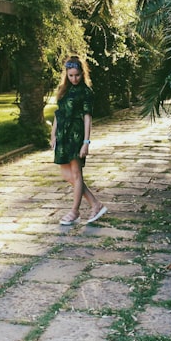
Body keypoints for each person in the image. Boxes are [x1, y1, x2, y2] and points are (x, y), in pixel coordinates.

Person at [50, 55, 107, 226]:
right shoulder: (63, 90)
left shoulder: (86, 92)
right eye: (71, 75)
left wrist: (86, 142)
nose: (74, 78)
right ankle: (95, 204)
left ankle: (75, 211)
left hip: (76, 136)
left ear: (83, 73)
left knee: (76, 174)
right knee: (67, 175)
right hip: (62, 136)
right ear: (66, 74)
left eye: (77, 75)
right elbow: (57, 114)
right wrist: (53, 135)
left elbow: (87, 118)